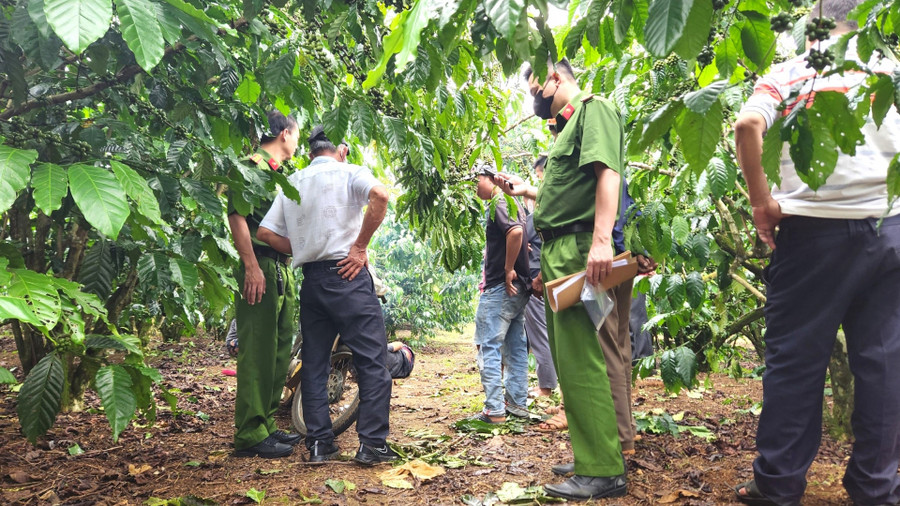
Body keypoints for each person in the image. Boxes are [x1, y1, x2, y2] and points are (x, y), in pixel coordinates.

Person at [732, 1, 900, 504]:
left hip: (813, 236)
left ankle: (779, 485)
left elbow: (746, 126)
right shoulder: (890, 70)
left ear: (810, 28)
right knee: (885, 362)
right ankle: (877, 487)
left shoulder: (790, 73)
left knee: (794, 362)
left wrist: (762, 204)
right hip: (889, 230)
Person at [494, 58, 627, 500]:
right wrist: (527, 191)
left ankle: (603, 469)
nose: (535, 98)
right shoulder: (566, 127)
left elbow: (607, 173)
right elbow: (568, 189)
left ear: (555, 77)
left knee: (581, 355)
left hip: (576, 247)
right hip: (555, 249)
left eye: (535, 86)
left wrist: (602, 240)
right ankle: (592, 453)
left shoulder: (594, 110)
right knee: (569, 358)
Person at [257, 125, 396, 466]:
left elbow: (264, 231)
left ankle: (320, 445)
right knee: (372, 359)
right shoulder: (349, 172)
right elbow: (380, 196)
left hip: (312, 283)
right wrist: (360, 247)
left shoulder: (296, 181)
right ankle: (371, 445)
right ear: (342, 151)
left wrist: (304, 248)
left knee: (315, 365)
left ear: (309, 153)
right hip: (347, 275)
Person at [228, 111, 302, 459]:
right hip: (260, 266)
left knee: (277, 351)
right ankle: (249, 434)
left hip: (281, 269)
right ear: (285, 134)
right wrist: (251, 266)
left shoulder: (282, 175)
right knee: (257, 352)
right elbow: (237, 216)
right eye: (296, 135)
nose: (298, 142)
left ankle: (266, 424)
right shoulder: (252, 166)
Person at [469, 163, 532, 423]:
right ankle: (517, 404)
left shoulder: (500, 201)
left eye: (476, 180)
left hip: (500, 286)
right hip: (519, 290)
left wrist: (507, 269)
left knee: (488, 346)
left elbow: (515, 232)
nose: (474, 187)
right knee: (515, 346)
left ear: (491, 179)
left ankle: (494, 409)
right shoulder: (514, 202)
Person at [523, 155, 557, 400]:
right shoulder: (536, 214)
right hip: (544, 275)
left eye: (539, 175)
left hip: (538, 277)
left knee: (540, 334)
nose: (538, 180)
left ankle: (546, 386)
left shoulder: (542, 213)